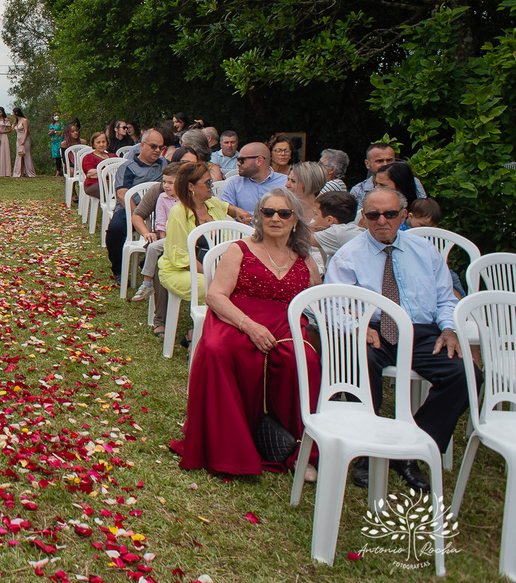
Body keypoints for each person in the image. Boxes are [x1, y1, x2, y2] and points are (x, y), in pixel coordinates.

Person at [325, 188, 477, 493]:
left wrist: (449, 329)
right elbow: (333, 303)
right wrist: (356, 326)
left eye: (390, 214)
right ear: (363, 218)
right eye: (373, 215)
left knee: (465, 375)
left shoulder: (425, 251)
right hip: (375, 330)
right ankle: (365, 452)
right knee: (359, 363)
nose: (382, 220)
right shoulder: (349, 255)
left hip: (421, 332)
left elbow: (446, 298)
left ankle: (410, 451)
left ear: (403, 216)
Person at [170, 189, 322, 478]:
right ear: (258, 217)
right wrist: (249, 326)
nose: (275, 218)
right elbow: (216, 296)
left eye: (284, 213)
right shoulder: (239, 249)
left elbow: (318, 303)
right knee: (216, 350)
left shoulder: (306, 260)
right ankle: (226, 444)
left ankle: (299, 451)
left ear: (295, 221)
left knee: (303, 361)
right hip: (235, 318)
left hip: (286, 324)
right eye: (268, 212)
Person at [157, 163, 233, 347]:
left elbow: (227, 208)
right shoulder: (179, 213)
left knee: (231, 288)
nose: (212, 186)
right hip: (180, 269)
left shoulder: (212, 204)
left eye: (211, 181)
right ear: (191, 186)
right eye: (207, 183)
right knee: (215, 290)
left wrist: (242, 213)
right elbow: (182, 258)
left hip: (213, 267)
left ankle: (197, 334)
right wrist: (215, 275)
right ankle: (204, 338)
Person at [104, 128, 168, 278]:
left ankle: (149, 259)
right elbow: (122, 194)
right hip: (130, 209)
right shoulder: (128, 167)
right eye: (153, 146)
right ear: (142, 145)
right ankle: (119, 270)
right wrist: (138, 217)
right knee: (116, 229)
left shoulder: (164, 164)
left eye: (161, 147)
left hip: (160, 210)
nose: (157, 150)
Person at [129, 161, 183, 308]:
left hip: (184, 239)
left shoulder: (187, 199)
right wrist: (164, 238)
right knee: (153, 248)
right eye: (164, 181)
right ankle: (147, 283)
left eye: (170, 183)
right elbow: (160, 221)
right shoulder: (162, 198)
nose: (166, 186)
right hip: (167, 237)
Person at [218, 142, 288, 218]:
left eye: (241, 160)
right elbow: (223, 208)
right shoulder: (233, 183)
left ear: (259, 161)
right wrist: (236, 210)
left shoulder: (286, 182)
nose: (238, 163)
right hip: (242, 228)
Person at [349, 142, 427, 205]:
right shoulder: (358, 191)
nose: (385, 164)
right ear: (367, 164)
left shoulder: (413, 181)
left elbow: (422, 210)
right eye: (380, 161)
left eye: (389, 160)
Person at [312, 190, 363, 260]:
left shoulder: (338, 232)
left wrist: (313, 226)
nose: (314, 218)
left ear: (329, 220)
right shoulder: (348, 229)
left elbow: (302, 237)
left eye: (316, 214)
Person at [285, 161, 326, 227]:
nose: (287, 185)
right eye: (288, 180)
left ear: (309, 184)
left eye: (293, 181)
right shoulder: (282, 210)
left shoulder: (325, 215)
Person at [80, 131, 111, 201]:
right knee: (111, 186)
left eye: (103, 142)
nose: (101, 144)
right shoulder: (88, 157)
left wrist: (100, 172)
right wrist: (110, 173)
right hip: (93, 184)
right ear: (93, 144)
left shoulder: (113, 156)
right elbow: (90, 174)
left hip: (111, 183)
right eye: (98, 142)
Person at [11, 107, 36, 178]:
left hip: (24, 138)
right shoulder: (16, 121)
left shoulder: (24, 120)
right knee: (19, 155)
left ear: (16, 113)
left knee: (26, 154)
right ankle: (19, 172)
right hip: (18, 139)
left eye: (13, 112)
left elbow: (26, 131)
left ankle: (29, 172)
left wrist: (24, 140)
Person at [0, 107, 13, 178]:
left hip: (3, 136)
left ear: (3, 112)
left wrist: (2, 131)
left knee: (3, 152)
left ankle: (4, 171)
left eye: (0, 112)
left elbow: (10, 130)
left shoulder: (6, 120)